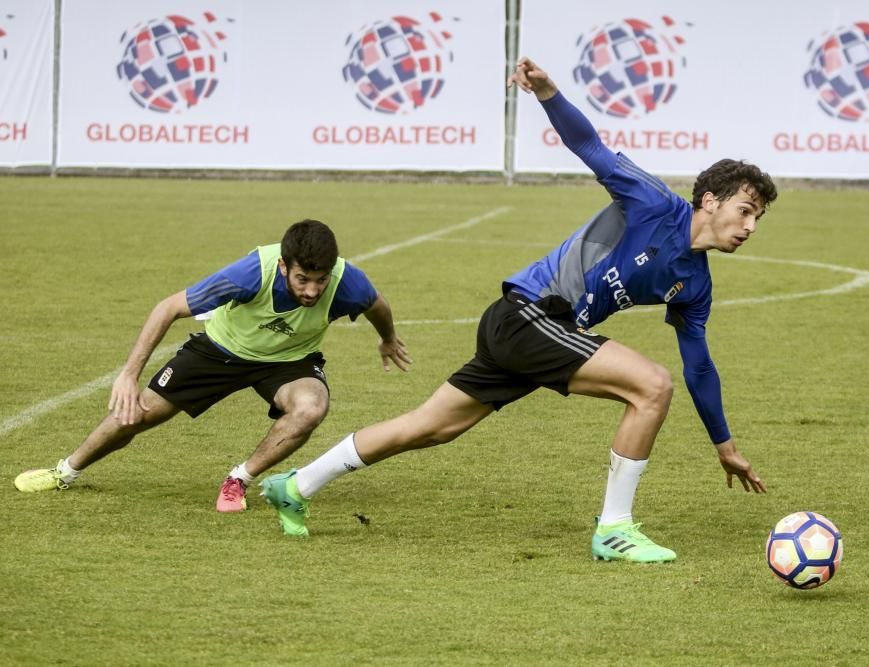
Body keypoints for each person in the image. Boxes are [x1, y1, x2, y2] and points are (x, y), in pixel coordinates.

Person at [260, 57, 775, 562]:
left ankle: (297, 484)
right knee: (652, 385)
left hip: (536, 333)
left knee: (430, 427)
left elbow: (700, 366)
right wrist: (548, 93)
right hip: (528, 314)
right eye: (745, 210)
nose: (750, 226)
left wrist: (724, 444)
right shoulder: (653, 203)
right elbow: (589, 145)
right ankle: (614, 530)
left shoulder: (695, 284)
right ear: (710, 200)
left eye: (758, 218)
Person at [14, 219, 411, 512]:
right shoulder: (250, 273)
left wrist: (388, 338)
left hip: (289, 361)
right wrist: (129, 374)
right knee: (134, 416)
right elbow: (168, 307)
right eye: (303, 279)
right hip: (219, 350)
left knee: (311, 407)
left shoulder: (348, 283)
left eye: (320, 281)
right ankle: (65, 471)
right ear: (283, 267)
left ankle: (239, 479)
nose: (312, 290)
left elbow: (377, 306)